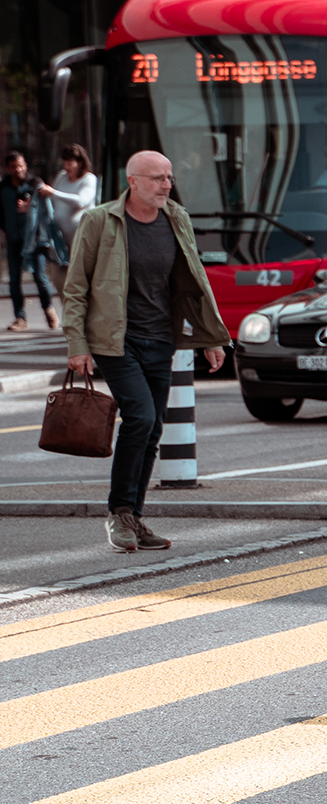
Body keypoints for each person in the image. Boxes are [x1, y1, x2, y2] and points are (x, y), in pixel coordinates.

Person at [63, 150, 230, 552]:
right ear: (132, 180)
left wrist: (210, 337)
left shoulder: (176, 218)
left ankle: (134, 517)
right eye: (157, 178)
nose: (167, 185)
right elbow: (76, 287)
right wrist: (76, 344)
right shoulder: (100, 221)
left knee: (153, 427)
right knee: (139, 416)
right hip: (116, 342)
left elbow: (195, 282)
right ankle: (118, 512)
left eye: (169, 177)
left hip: (162, 339)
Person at [3, 150, 58, 331]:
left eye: (20, 166)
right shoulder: (3, 188)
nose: (18, 170)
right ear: (8, 168)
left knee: (40, 277)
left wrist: (31, 208)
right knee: (14, 280)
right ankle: (20, 318)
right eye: (14, 167)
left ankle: (48, 309)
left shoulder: (35, 184)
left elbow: (46, 210)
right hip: (14, 240)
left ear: (25, 165)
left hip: (35, 241)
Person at [44, 143, 98, 250]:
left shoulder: (89, 179)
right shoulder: (62, 176)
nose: (66, 167)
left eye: (70, 163)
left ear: (80, 163)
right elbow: (51, 200)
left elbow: (81, 201)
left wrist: (53, 192)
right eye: (65, 163)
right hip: (60, 240)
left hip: (82, 240)